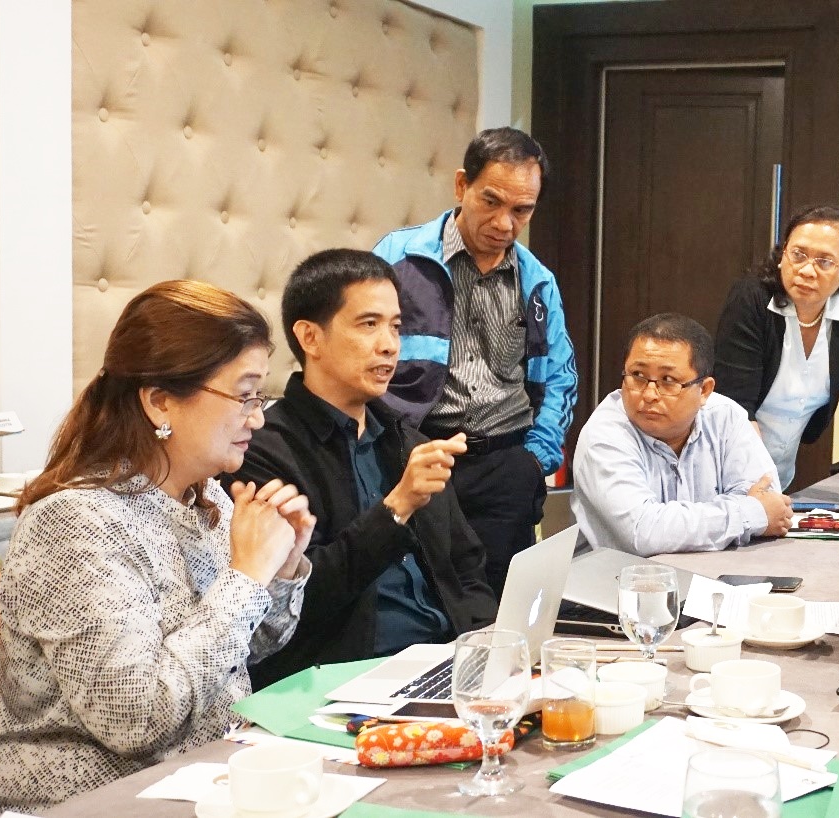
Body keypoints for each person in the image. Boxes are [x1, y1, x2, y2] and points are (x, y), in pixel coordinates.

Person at [0, 282, 312, 816]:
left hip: (195, 782)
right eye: (244, 395)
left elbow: (238, 654)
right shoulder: (77, 522)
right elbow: (135, 719)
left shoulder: (208, 503)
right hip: (78, 801)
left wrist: (280, 570)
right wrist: (245, 580)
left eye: (260, 397)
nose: (258, 418)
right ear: (159, 401)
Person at [228, 250, 497, 689]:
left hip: (445, 663)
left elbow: (465, 568)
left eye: (396, 326)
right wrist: (396, 508)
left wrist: (491, 648)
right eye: (368, 324)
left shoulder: (407, 440)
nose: (390, 345)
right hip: (341, 680)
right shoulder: (263, 452)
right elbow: (295, 606)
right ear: (310, 338)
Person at [373, 126, 577, 597]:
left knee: (501, 609)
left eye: (522, 210)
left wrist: (536, 458)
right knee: (420, 601)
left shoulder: (537, 281)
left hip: (506, 463)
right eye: (492, 202)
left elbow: (561, 375)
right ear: (462, 185)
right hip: (418, 455)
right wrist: (389, 450)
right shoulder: (399, 259)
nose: (505, 224)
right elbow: (359, 359)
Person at [714, 204, 839, 493]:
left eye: (825, 261)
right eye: (798, 255)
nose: (807, 270)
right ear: (782, 254)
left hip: (780, 477)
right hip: (724, 472)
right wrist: (761, 493)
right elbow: (736, 410)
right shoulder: (751, 299)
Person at [572, 313, 790, 556]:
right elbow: (644, 533)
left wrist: (753, 511)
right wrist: (749, 514)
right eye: (638, 376)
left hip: (715, 577)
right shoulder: (605, 435)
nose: (649, 394)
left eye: (668, 380)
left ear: (704, 390)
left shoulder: (726, 417)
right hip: (616, 584)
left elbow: (768, 498)